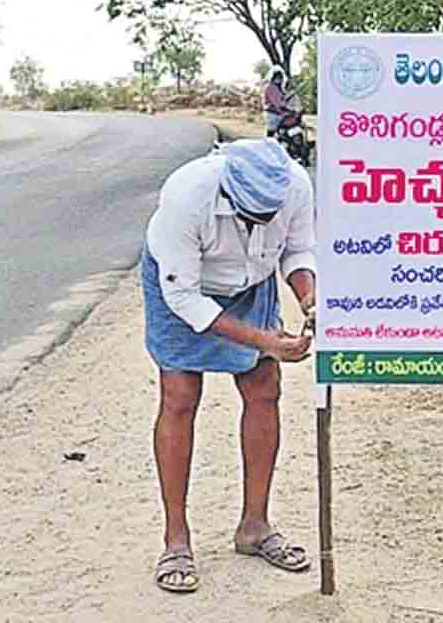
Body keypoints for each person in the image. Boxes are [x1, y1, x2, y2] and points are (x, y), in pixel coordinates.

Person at [141, 137, 318, 593]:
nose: (261, 223)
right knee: (179, 396)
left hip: (252, 282)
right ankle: (176, 538)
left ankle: (254, 526)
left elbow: (296, 252)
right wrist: (264, 339)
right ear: (228, 193)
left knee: (264, 387)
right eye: (251, 216)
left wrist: (307, 297)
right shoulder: (187, 195)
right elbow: (183, 298)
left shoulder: (294, 185)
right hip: (183, 284)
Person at [262, 65, 289, 137]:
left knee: (278, 133)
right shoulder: (270, 87)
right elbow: (276, 102)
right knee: (271, 133)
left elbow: (281, 100)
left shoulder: (278, 87)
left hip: (277, 112)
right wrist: (283, 110)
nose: (279, 79)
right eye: (277, 77)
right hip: (272, 113)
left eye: (280, 78)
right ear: (273, 77)